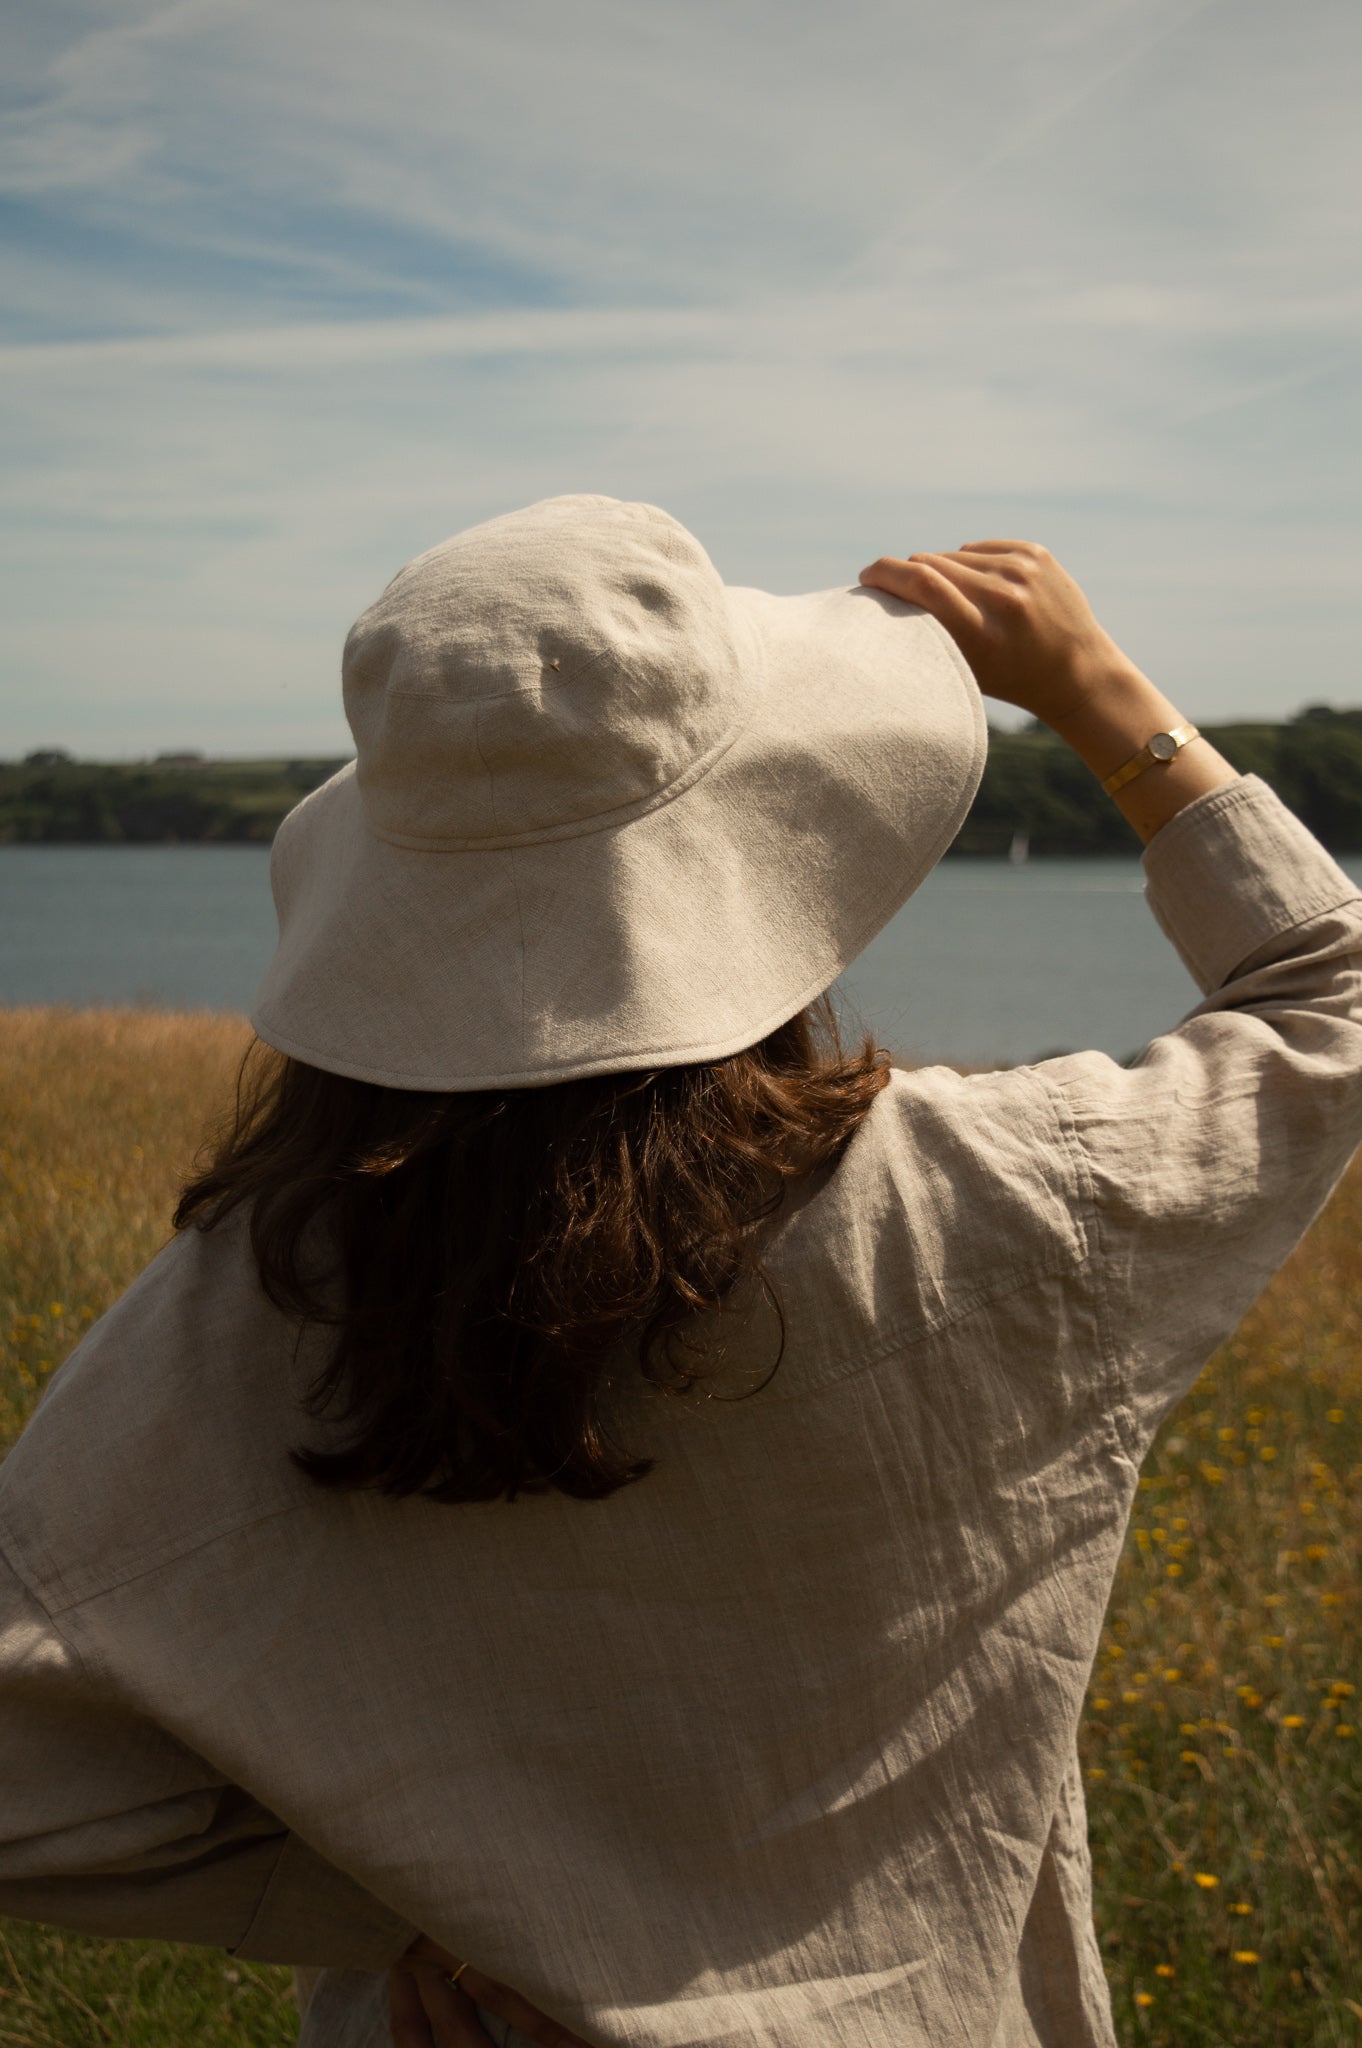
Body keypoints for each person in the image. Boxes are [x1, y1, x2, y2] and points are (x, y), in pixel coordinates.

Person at [1, 494, 1359, 2048]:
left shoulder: (243, 1311)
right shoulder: (997, 1200)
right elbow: (1332, 998)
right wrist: (1102, 699)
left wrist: (426, 1888)